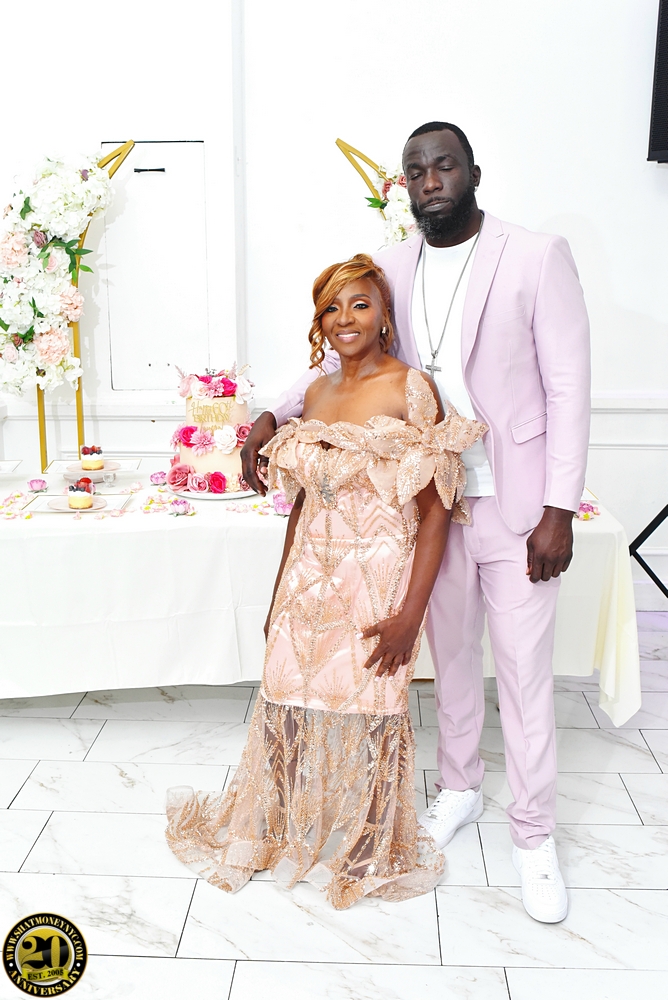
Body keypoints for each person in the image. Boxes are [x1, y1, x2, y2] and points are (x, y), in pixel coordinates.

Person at [241, 122, 591, 924]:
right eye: (416, 170)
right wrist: (273, 411)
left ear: (473, 173)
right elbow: (341, 356)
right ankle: (460, 788)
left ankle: (534, 836)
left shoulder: (535, 256)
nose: (430, 179)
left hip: (516, 503)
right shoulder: (392, 264)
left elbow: (570, 385)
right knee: (452, 661)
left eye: (444, 166)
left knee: (525, 673)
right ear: (403, 185)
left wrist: (559, 508)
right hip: (426, 505)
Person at [166, 254, 484, 910]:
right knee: (283, 701)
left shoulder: (412, 388)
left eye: (360, 304)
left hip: (379, 578)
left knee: (373, 709)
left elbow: (435, 512)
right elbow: (305, 503)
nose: (345, 318)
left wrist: (411, 614)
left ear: (384, 315)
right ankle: (270, 830)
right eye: (332, 308)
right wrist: (280, 593)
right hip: (309, 576)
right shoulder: (314, 394)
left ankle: (369, 844)